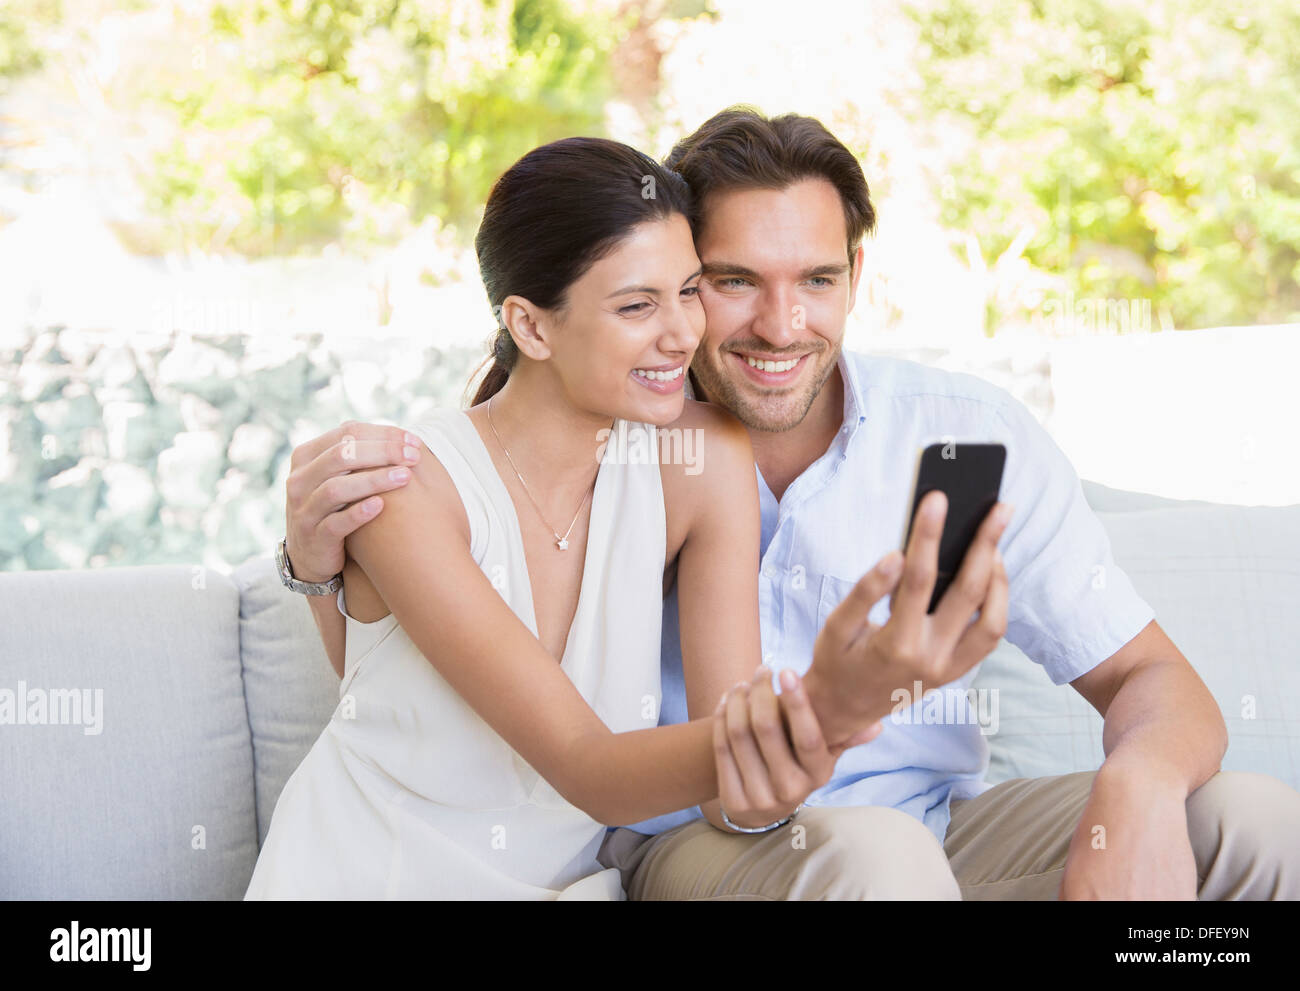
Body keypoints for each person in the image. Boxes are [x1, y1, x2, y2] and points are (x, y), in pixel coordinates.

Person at [292, 107, 1300, 901]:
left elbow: (1150, 677)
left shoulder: (954, 433)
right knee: (874, 862)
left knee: (1256, 824)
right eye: (729, 281)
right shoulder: (622, 445)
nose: (779, 323)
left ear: (855, 275)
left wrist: (1134, 790)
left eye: (816, 278)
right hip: (705, 843)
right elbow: (422, 689)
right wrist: (317, 570)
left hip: (929, 824)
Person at [250, 134, 1009, 900]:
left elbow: (734, 801)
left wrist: (813, 737)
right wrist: (821, 705)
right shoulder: (409, 486)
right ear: (533, 326)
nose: (683, 333)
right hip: (369, 874)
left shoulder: (706, 459)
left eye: (689, 290)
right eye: (637, 304)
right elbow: (590, 768)